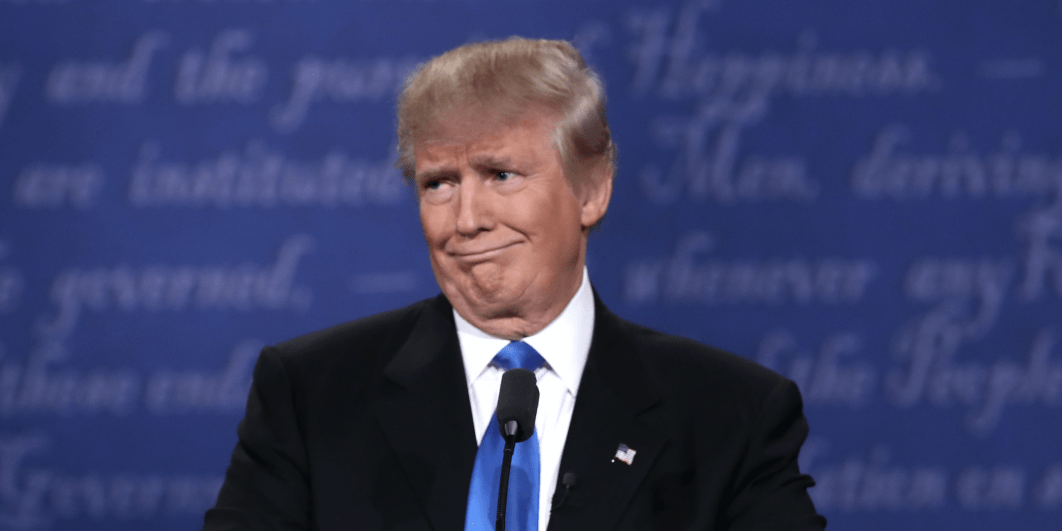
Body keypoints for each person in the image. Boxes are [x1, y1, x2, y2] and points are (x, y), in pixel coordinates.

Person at [203, 37, 826, 531]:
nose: (466, 219)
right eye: (439, 183)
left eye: (500, 175)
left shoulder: (731, 416)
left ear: (591, 191)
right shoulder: (311, 395)